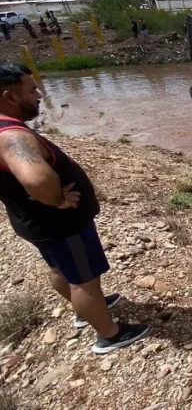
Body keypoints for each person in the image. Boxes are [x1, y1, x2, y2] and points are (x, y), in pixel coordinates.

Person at [0, 62, 150, 354]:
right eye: (32, 91)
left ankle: (88, 310)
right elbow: (35, 176)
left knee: (61, 269)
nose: (40, 95)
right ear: (10, 97)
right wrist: (57, 199)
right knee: (85, 281)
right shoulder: (12, 136)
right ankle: (109, 334)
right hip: (62, 224)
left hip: (35, 223)